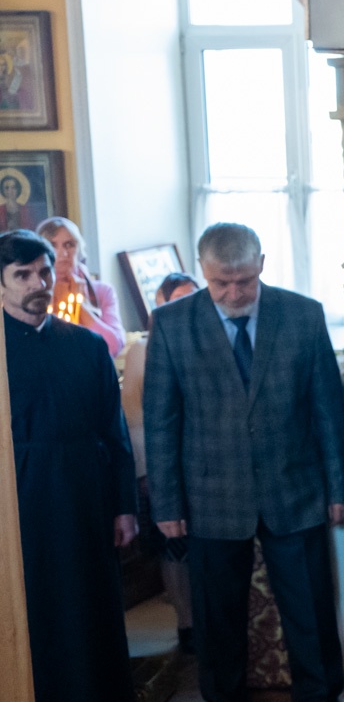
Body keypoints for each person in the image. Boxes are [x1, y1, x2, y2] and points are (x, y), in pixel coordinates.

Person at [145, 223, 344, 702]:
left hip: (296, 487)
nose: (235, 294)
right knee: (217, 618)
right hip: (210, 498)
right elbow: (162, 420)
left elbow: (328, 409)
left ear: (261, 262)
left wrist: (337, 485)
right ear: (203, 271)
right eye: (222, 284)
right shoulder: (170, 324)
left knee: (309, 607)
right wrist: (165, 505)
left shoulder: (302, 315)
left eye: (245, 280)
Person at [1, 229, 139, 702]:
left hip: (85, 502)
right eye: (22, 276)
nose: (38, 284)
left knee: (92, 613)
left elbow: (115, 433)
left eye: (42, 272)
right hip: (21, 509)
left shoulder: (85, 347)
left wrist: (124, 506)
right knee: (37, 623)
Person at [122, 271, 201, 651]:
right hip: (163, 465)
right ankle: (187, 625)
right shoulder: (144, 349)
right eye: (178, 299)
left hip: (206, 465)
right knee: (174, 548)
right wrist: (147, 473)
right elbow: (137, 417)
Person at [35, 215, 126, 356]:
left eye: (69, 244)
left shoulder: (102, 291)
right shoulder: (32, 292)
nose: (63, 253)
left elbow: (113, 347)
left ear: (79, 249)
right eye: (52, 245)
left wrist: (79, 304)